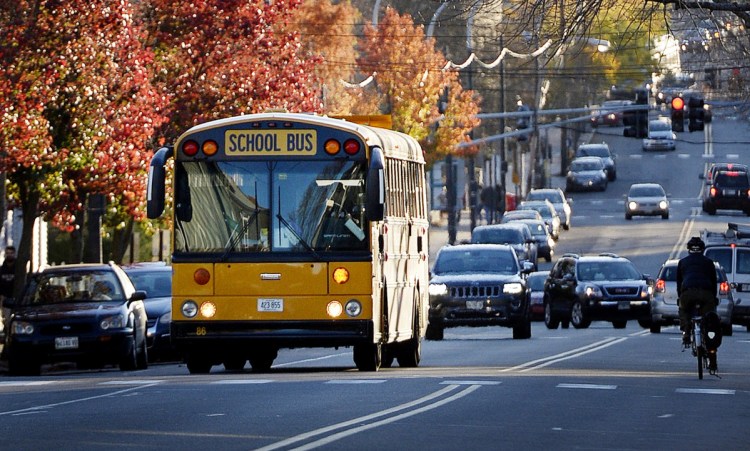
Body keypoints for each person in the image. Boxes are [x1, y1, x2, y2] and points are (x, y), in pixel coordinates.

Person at [676, 236, 719, 372]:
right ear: (702, 249)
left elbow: (679, 284)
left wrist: (680, 297)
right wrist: (714, 297)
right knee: (710, 321)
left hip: (688, 292)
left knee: (684, 310)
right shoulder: (709, 262)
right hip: (706, 293)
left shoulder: (682, 262)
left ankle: (686, 331)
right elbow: (714, 283)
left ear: (689, 249)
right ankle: (713, 360)